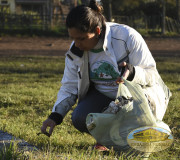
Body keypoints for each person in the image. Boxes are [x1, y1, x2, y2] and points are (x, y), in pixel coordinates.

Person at [41, 0, 171, 151]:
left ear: (97, 31)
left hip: (139, 96)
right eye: (73, 38)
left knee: (129, 114)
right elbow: (70, 85)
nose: (76, 44)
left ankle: (146, 132)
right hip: (104, 96)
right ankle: (108, 140)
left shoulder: (127, 37)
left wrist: (133, 72)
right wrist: (55, 116)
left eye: (81, 38)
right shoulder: (75, 50)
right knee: (80, 117)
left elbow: (152, 74)